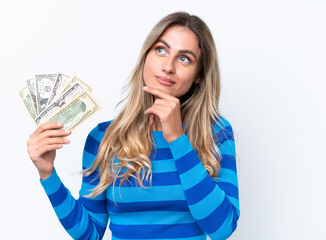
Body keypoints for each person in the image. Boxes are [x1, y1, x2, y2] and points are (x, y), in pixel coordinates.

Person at [27, 11, 240, 240]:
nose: (168, 66)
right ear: (145, 57)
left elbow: (222, 229)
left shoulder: (216, 133)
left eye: (184, 58)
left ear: (198, 75)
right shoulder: (103, 138)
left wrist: (178, 139)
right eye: (161, 50)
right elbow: (90, 234)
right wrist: (47, 173)